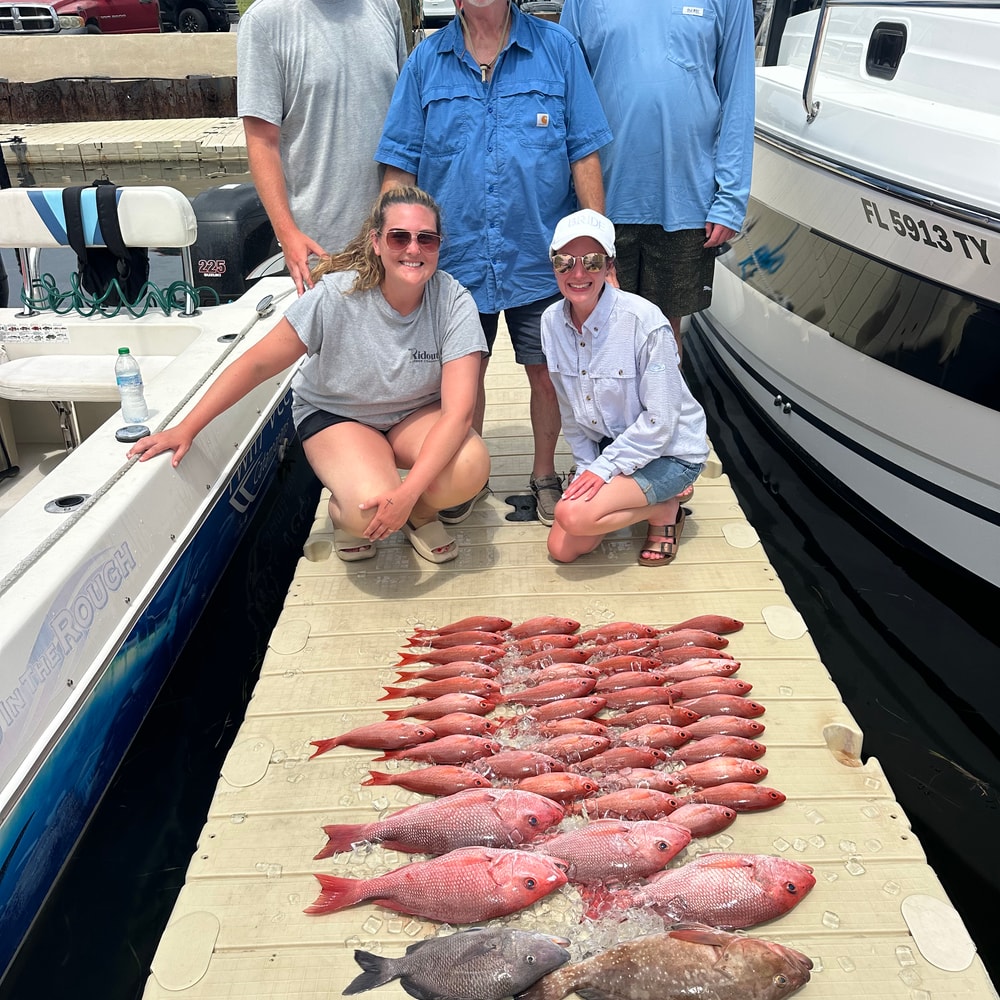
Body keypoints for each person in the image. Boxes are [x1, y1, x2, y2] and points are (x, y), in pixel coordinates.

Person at [128, 187, 490, 565]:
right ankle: (343, 514)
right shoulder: (335, 296)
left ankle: (419, 513)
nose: (413, 249)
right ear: (377, 242)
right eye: (399, 237)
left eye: (426, 239)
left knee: (470, 465)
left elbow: (458, 413)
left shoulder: (453, 300)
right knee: (366, 510)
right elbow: (257, 364)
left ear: (437, 246)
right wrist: (187, 427)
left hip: (414, 416)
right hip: (340, 416)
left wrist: (409, 493)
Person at [375, 0, 612, 526]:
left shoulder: (559, 51)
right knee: (462, 378)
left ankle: (545, 473)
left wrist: (597, 247)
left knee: (547, 375)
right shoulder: (424, 63)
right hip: (453, 265)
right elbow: (398, 165)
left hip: (538, 258)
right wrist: (387, 249)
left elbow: (584, 154)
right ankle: (467, 473)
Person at [559, 0, 755, 358]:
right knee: (598, 337)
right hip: (601, 203)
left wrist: (731, 198)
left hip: (687, 201)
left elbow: (738, 92)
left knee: (665, 336)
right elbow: (566, 97)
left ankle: (665, 415)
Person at [539, 210, 709, 566]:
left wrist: (603, 470)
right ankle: (651, 502)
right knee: (563, 549)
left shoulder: (645, 321)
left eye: (592, 261)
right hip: (612, 445)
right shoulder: (550, 321)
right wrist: (587, 466)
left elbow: (662, 422)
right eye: (565, 262)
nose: (579, 273)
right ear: (552, 264)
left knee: (572, 515)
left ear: (610, 265)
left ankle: (665, 507)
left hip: (670, 452)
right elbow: (570, 411)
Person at [237, 0, 408, 295]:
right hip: (320, 254)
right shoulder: (264, 21)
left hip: (393, 243)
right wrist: (287, 234)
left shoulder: (386, 7)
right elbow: (262, 141)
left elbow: (404, 118)